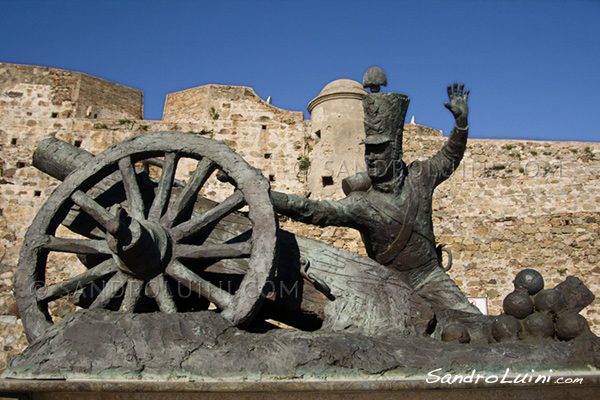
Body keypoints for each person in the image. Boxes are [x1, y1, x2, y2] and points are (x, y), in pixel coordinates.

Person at [271, 69, 479, 314]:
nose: (370, 157)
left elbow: (450, 156)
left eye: (378, 150)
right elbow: (314, 211)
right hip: (390, 286)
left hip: (430, 277)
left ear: (395, 152)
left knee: (469, 318)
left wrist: (461, 124)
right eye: (368, 150)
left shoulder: (421, 177)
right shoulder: (361, 204)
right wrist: (268, 195)